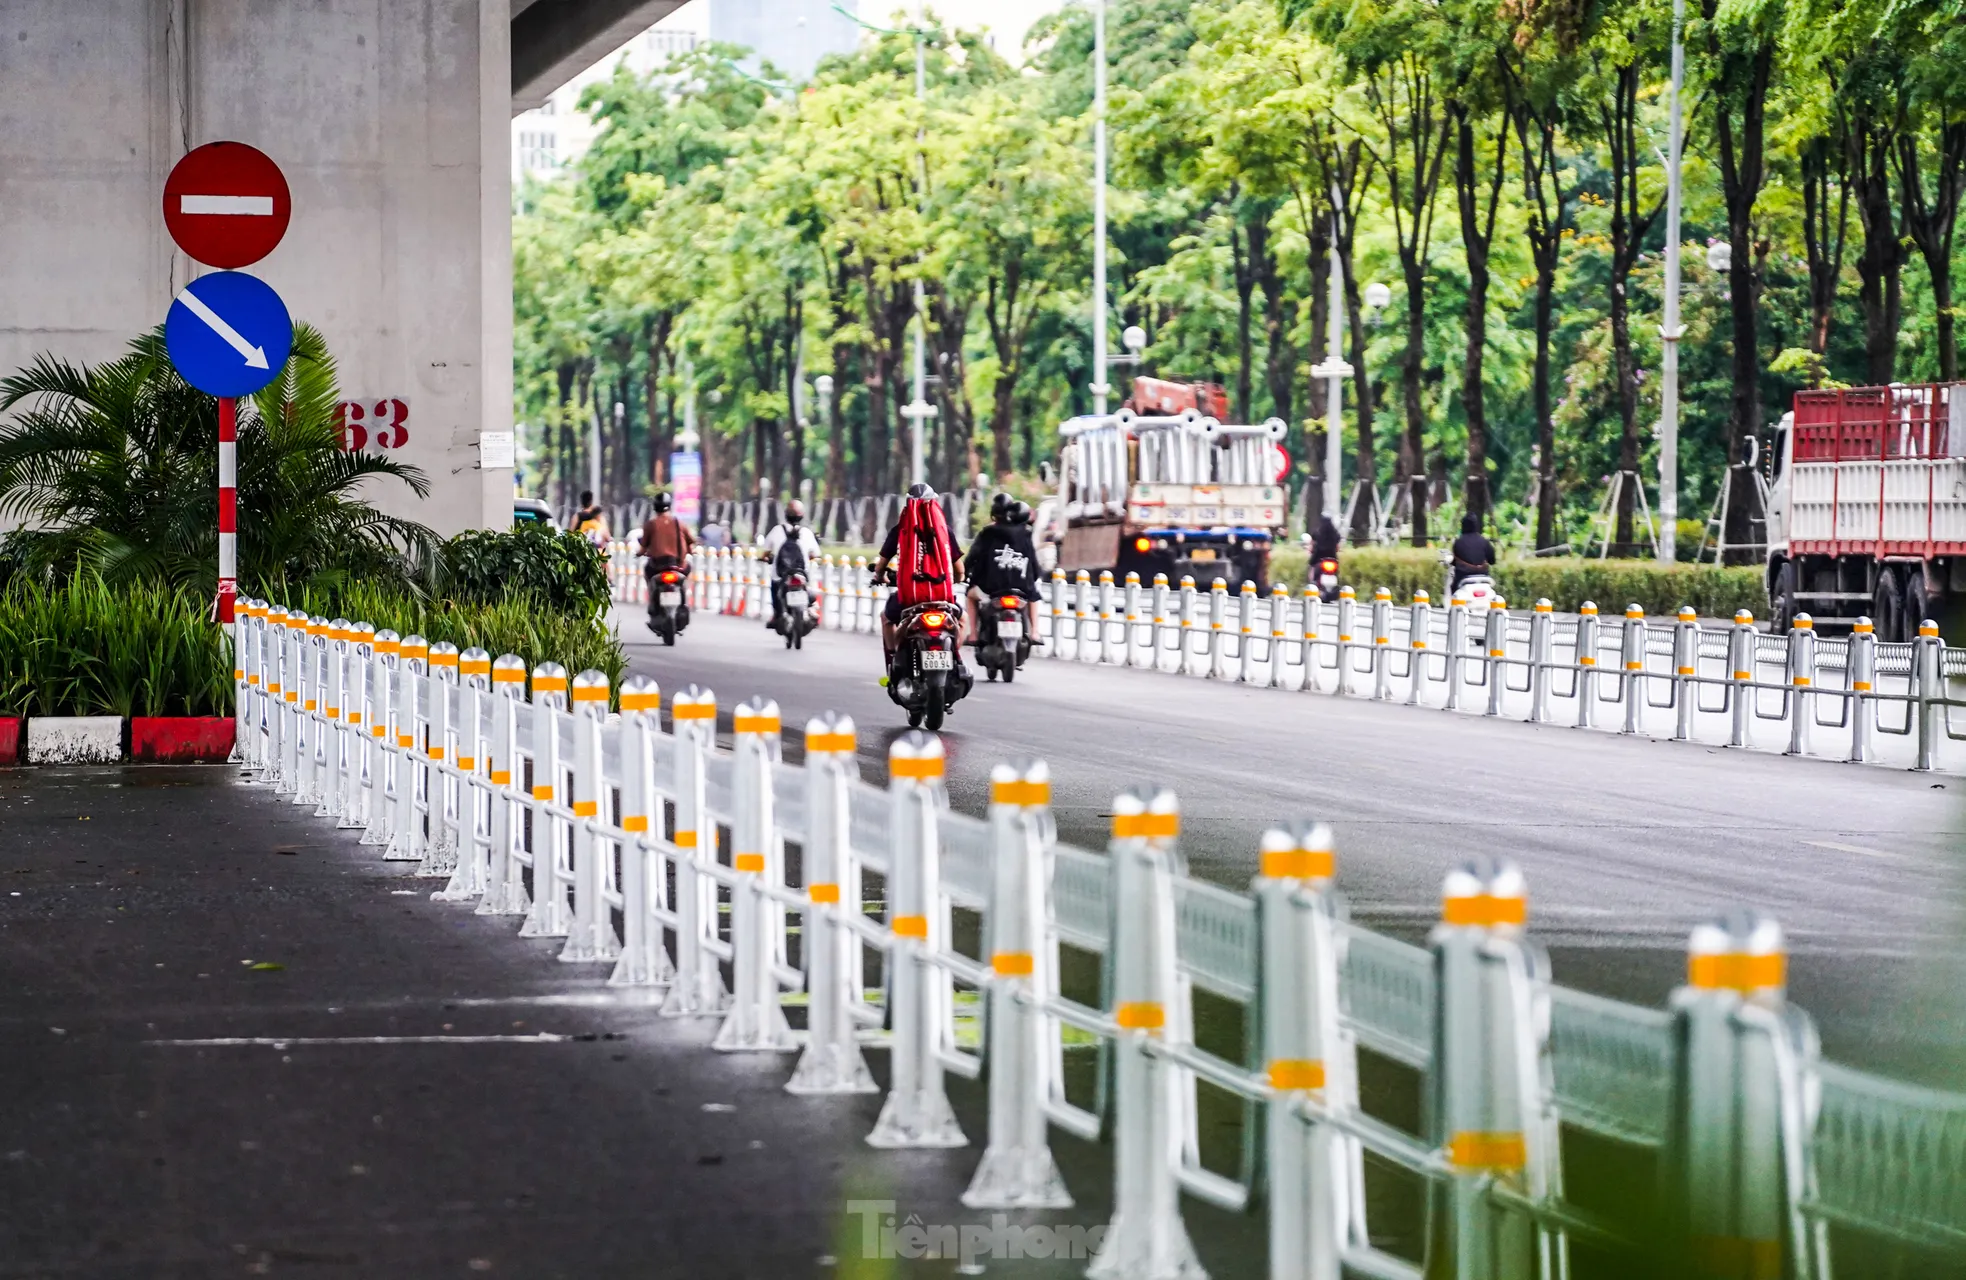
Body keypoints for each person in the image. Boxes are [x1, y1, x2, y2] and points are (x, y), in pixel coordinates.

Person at [872, 483, 966, 665]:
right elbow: (959, 569)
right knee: (963, 619)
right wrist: (956, 580)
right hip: (941, 598)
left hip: (909, 598)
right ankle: (955, 656)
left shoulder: (900, 530)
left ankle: (893, 659)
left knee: (886, 618)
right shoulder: (944, 531)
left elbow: (881, 565)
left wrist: (880, 576)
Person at [963, 498, 1040, 642]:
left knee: (970, 595)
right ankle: (1035, 632)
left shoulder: (988, 532)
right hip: (1022, 589)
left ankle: (973, 634)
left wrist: (964, 573)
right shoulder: (1026, 534)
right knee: (1033, 596)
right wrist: (1033, 578)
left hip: (990, 589)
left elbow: (973, 556)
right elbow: (1033, 564)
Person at [759, 500, 823, 626]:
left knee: (775, 587)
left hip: (781, 574)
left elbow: (765, 552)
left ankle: (777, 614)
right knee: (810, 587)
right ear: (802, 516)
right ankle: (811, 609)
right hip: (802, 573)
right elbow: (816, 554)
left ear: (786, 515)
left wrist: (766, 558)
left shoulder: (776, 530)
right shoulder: (807, 533)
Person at [639, 491, 694, 577]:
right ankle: (685, 590)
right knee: (689, 568)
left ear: (655, 507)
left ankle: (652, 590)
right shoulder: (679, 523)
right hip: (678, 565)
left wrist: (638, 554)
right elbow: (690, 545)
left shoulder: (651, 524)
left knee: (647, 569)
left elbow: (643, 548)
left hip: (657, 566)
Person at [1449, 513, 1497, 591]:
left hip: (1463, 578)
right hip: (1483, 578)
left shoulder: (1458, 542)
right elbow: (1492, 560)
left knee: (1454, 592)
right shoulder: (1484, 541)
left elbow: (1455, 562)